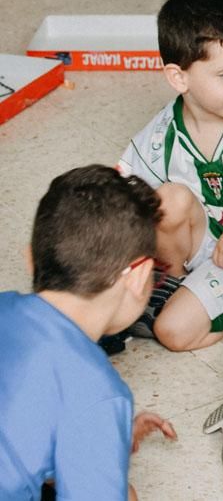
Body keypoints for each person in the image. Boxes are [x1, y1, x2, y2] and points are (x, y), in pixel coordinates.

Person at [0, 165, 176, 500]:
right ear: (139, 277)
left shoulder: (4, 305)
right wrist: (100, 427)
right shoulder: (96, 390)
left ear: (30, 259)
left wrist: (105, 435)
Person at [118, 0, 223, 352]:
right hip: (202, 244)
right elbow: (125, 200)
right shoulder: (159, 135)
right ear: (178, 77)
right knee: (166, 200)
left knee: (171, 332)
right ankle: (177, 284)